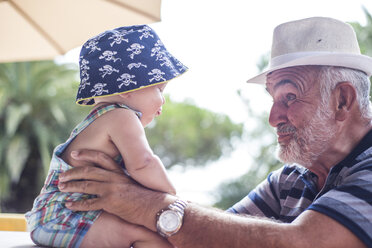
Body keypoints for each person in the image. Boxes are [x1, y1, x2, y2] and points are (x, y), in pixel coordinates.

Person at [57, 17, 372, 247]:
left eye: (289, 97)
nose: (273, 118)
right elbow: (213, 234)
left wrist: (145, 203)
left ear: (343, 100)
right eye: (273, 99)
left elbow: (303, 244)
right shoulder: (291, 179)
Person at [25, 24, 187, 248]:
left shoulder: (99, 119)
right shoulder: (122, 116)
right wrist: (173, 198)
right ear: (129, 86)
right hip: (65, 218)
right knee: (151, 234)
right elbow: (144, 163)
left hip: (54, 215)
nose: (163, 100)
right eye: (160, 89)